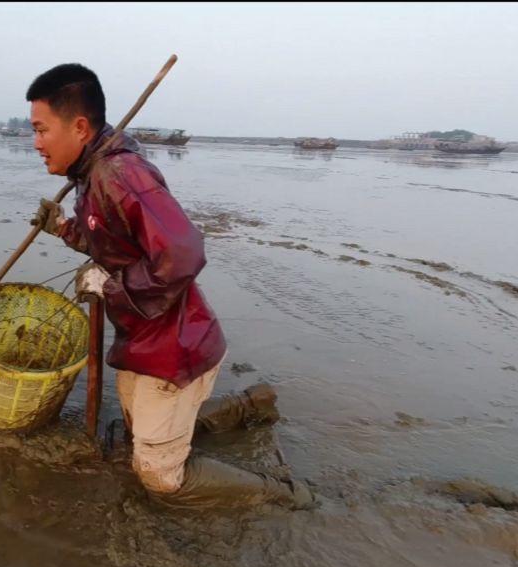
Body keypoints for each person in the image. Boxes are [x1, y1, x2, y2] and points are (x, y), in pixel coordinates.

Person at [26, 63, 315, 510]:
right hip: (142, 336)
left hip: (174, 345)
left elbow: (182, 254)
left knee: (158, 476)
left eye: (41, 130)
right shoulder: (90, 175)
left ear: (80, 127)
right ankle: (252, 405)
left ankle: (287, 498)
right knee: (137, 432)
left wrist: (110, 287)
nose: (36, 143)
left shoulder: (121, 175)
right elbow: (112, 241)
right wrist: (65, 229)